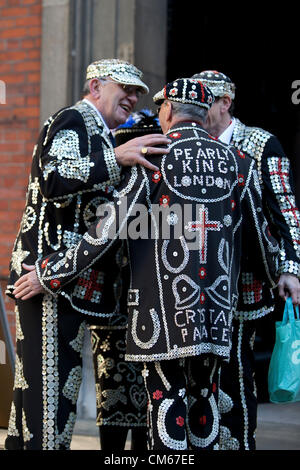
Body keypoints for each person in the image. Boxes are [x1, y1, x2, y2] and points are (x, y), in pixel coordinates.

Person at [13, 78, 279, 450]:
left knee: (166, 410)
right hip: (216, 312)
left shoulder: (154, 160)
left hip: (160, 315)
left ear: (168, 111)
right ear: (205, 115)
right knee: (205, 405)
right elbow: (263, 239)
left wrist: (49, 273)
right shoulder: (241, 164)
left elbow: (107, 228)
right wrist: (278, 281)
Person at [4, 58, 171, 451]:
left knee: (38, 399)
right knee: (50, 402)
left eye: (137, 93)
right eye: (124, 88)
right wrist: (118, 157)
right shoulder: (74, 120)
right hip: (44, 281)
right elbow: (53, 179)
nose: (132, 98)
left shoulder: (103, 132)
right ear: (95, 87)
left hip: (71, 286)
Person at [192, 70, 300, 450]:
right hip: (197, 282)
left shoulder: (260, 143)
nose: (198, 108)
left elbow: (286, 209)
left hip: (245, 282)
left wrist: (290, 268)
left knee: (237, 366)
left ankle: (237, 441)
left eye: (206, 100)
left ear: (225, 102)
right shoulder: (191, 143)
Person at [89, 110, 162, 451]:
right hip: (114, 306)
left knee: (151, 401)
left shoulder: (161, 184)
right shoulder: (110, 182)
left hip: (150, 305)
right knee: (113, 394)